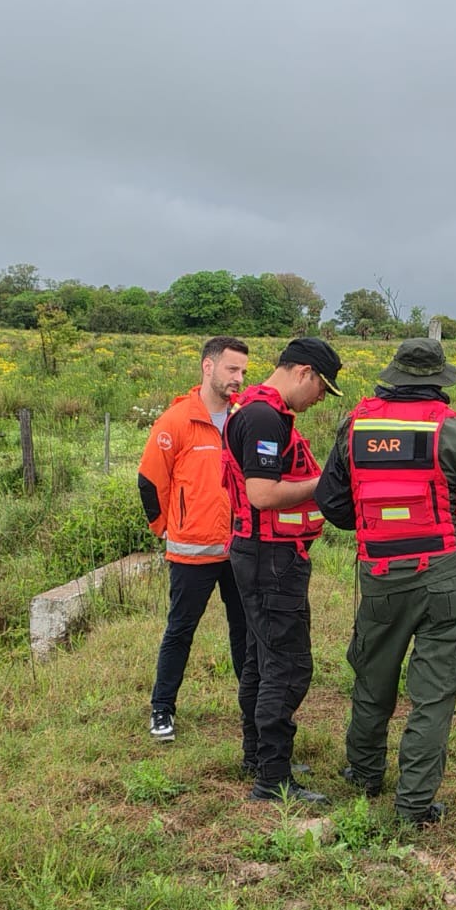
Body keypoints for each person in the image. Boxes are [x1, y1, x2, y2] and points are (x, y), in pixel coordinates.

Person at [316, 338, 456, 827]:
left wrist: (381, 529)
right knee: (433, 694)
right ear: (438, 383)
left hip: (379, 578)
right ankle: (414, 805)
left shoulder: (354, 426)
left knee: (372, 678)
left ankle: (363, 773)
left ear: (392, 377)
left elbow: (333, 504)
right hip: (445, 578)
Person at [223, 337, 343, 804]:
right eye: (321, 389)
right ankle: (273, 780)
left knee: (260, 658)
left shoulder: (254, 410)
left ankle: (259, 758)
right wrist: (326, 481)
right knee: (289, 666)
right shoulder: (263, 417)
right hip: (271, 556)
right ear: (304, 373)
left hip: (260, 552)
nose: (318, 400)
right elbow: (263, 494)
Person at [137, 336, 254, 752]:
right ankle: (162, 708)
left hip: (240, 547)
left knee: (246, 632)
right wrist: (165, 527)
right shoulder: (176, 420)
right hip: (192, 550)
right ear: (208, 367)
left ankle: (252, 710)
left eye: (243, 371)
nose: (239, 378)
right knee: (180, 631)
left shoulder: (245, 417)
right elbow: (151, 480)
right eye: (231, 369)